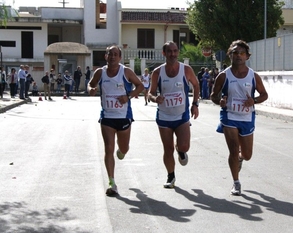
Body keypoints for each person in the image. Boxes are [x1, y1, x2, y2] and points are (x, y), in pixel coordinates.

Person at [210, 39, 268, 196]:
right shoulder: (223, 76)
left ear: (247, 56)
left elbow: (264, 95)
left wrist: (254, 101)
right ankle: (236, 182)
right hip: (229, 116)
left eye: (242, 53)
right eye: (235, 52)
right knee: (233, 150)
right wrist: (220, 102)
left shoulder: (253, 76)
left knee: (247, 155)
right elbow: (213, 96)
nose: (238, 56)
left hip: (247, 117)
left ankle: (241, 159)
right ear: (230, 55)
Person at [88, 45, 144, 195]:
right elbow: (91, 84)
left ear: (120, 57)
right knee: (108, 149)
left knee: (124, 148)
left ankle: (122, 150)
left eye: (115, 54)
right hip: (107, 117)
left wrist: (128, 96)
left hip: (124, 116)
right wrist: (91, 90)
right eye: (109, 54)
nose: (112, 57)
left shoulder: (126, 72)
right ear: (105, 56)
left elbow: (140, 86)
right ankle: (112, 183)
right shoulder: (100, 72)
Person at [148, 41, 200, 189]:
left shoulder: (186, 70)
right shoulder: (157, 72)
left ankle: (181, 151)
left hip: (181, 115)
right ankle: (171, 176)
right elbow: (150, 93)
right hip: (164, 116)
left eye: (175, 51)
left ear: (178, 52)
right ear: (164, 53)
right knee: (167, 149)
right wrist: (155, 98)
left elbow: (196, 85)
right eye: (169, 51)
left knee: (184, 146)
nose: (173, 54)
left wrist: (195, 104)